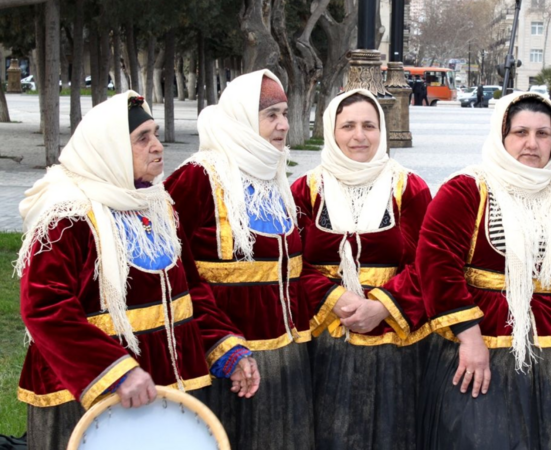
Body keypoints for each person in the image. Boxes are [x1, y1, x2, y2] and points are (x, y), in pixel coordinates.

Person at [16, 92, 259, 450]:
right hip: (95, 396)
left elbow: (189, 291)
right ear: (110, 148)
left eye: (156, 134)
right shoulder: (67, 218)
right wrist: (114, 371)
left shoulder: (158, 206)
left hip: (169, 381)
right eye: (142, 138)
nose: (158, 147)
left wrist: (226, 346)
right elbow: (45, 308)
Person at [417, 92, 551, 449]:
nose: (531, 144)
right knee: (481, 436)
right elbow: (437, 264)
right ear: (502, 136)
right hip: (482, 344)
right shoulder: (467, 190)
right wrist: (470, 339)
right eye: (520, 133)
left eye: (542, 134)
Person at [164, 70, 313, 449]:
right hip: (225, 365)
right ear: (243, 120)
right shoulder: (198, 178)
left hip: (284, 358)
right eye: (271, 116)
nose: (283, 126)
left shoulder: (274, 177)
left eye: (284, 114)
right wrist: (223, 346)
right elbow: (174, 275)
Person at [292, 89, 432, 449]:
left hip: (393, 343)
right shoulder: (305, 189)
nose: (359, 136)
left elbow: (427, 264)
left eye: (369, 126)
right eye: (348, 126)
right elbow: (290, 264)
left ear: (382, 130)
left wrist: (381, 306)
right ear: (331, 130)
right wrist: (333, 297)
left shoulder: (409, 187)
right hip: (325, 338)